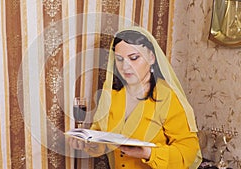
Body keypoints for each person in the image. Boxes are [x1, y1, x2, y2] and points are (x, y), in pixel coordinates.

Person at [69, 26, 202, 169]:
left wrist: (149, 153)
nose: (125, 67)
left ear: (151, 57)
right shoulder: (112, 95)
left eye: (134, 58)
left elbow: (189, 152)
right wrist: (86, 142)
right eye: (119, 59)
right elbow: (101, 139)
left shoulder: (168, 98)